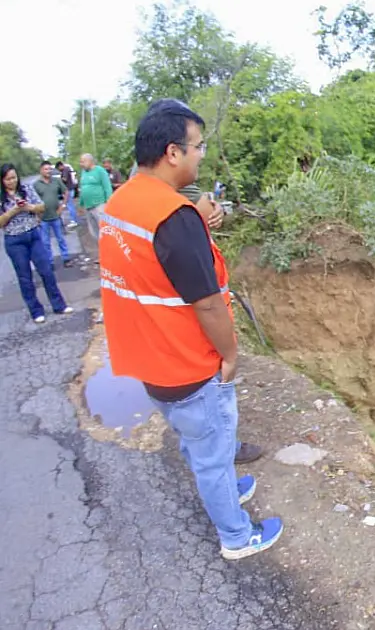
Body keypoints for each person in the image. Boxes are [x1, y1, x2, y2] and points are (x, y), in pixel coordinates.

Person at [98, 99, 280, 560]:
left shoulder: (124, 201)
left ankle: (220, 486)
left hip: (149, 358)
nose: (201, 155)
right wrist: (231, 355)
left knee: (193, 439)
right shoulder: (172, 218)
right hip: (188, 363)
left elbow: (152, 261)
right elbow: (207, 302)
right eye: (198, 146)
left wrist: (195, 218)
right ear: (173, 152)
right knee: (213, 449)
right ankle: (238, 537)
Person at [0, 164, 74, 323]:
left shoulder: (26, 189)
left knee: (46, 270)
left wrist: (28, 207)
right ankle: (36, 311)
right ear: (2, 180)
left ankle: (59, 304)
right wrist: (13, 211)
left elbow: (41, 206)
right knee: (25, 277)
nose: (12, 181)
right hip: (14, 240)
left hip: (33, 234)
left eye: (14, 177)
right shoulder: (1, 197)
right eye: (8, 179)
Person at [32, 161, 72, 267]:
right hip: (43, 218)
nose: (48, 171)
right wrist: (36, 215)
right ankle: (50, 262)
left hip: (56, 216)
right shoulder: (36, 185)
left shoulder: (56, 181)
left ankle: (66, 258)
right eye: (46, 169)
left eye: (50, 169)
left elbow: (66, 192)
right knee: (45, 242)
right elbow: (31, 200)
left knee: (60, 238)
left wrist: (62, 206)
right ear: (41, 170)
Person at [78, 153, 112, 244]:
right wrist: (80, 204)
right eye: (80, 162)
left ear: (90, 161)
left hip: (99, 205)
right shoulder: (83, 172)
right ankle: (101, 249)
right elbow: (82, 188)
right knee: (94, 232)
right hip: (88, 207)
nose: (81, 164)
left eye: (83, 161)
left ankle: (109, 249)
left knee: (104, 230)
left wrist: (109, 203)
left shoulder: (100, 171)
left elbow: (107, 187)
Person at [55, 161, 79, 228]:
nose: (58, 170)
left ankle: (74, 221)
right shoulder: (67, 169)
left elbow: (64, 179)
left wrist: (58, 179)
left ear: (60, 166)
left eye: (58, 168)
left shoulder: (65, 170)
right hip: (70, 189)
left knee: (70, 206)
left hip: (69, 190)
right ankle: (74, 220)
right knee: (70, 205)